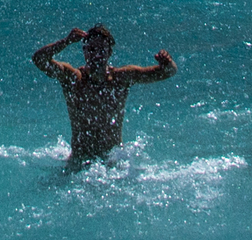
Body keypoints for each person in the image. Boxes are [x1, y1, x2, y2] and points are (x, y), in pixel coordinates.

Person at [31, 24, 176, 164]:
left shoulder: (121, 79)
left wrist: (167, 63)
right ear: (85, 51)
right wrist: (65, 42)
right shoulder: (74, 79)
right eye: (92, 49)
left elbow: (168, 72)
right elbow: (39, 59)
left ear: (109, 53)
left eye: (101, 50)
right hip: (79, 163)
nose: (96, 55)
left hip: (112, 165)